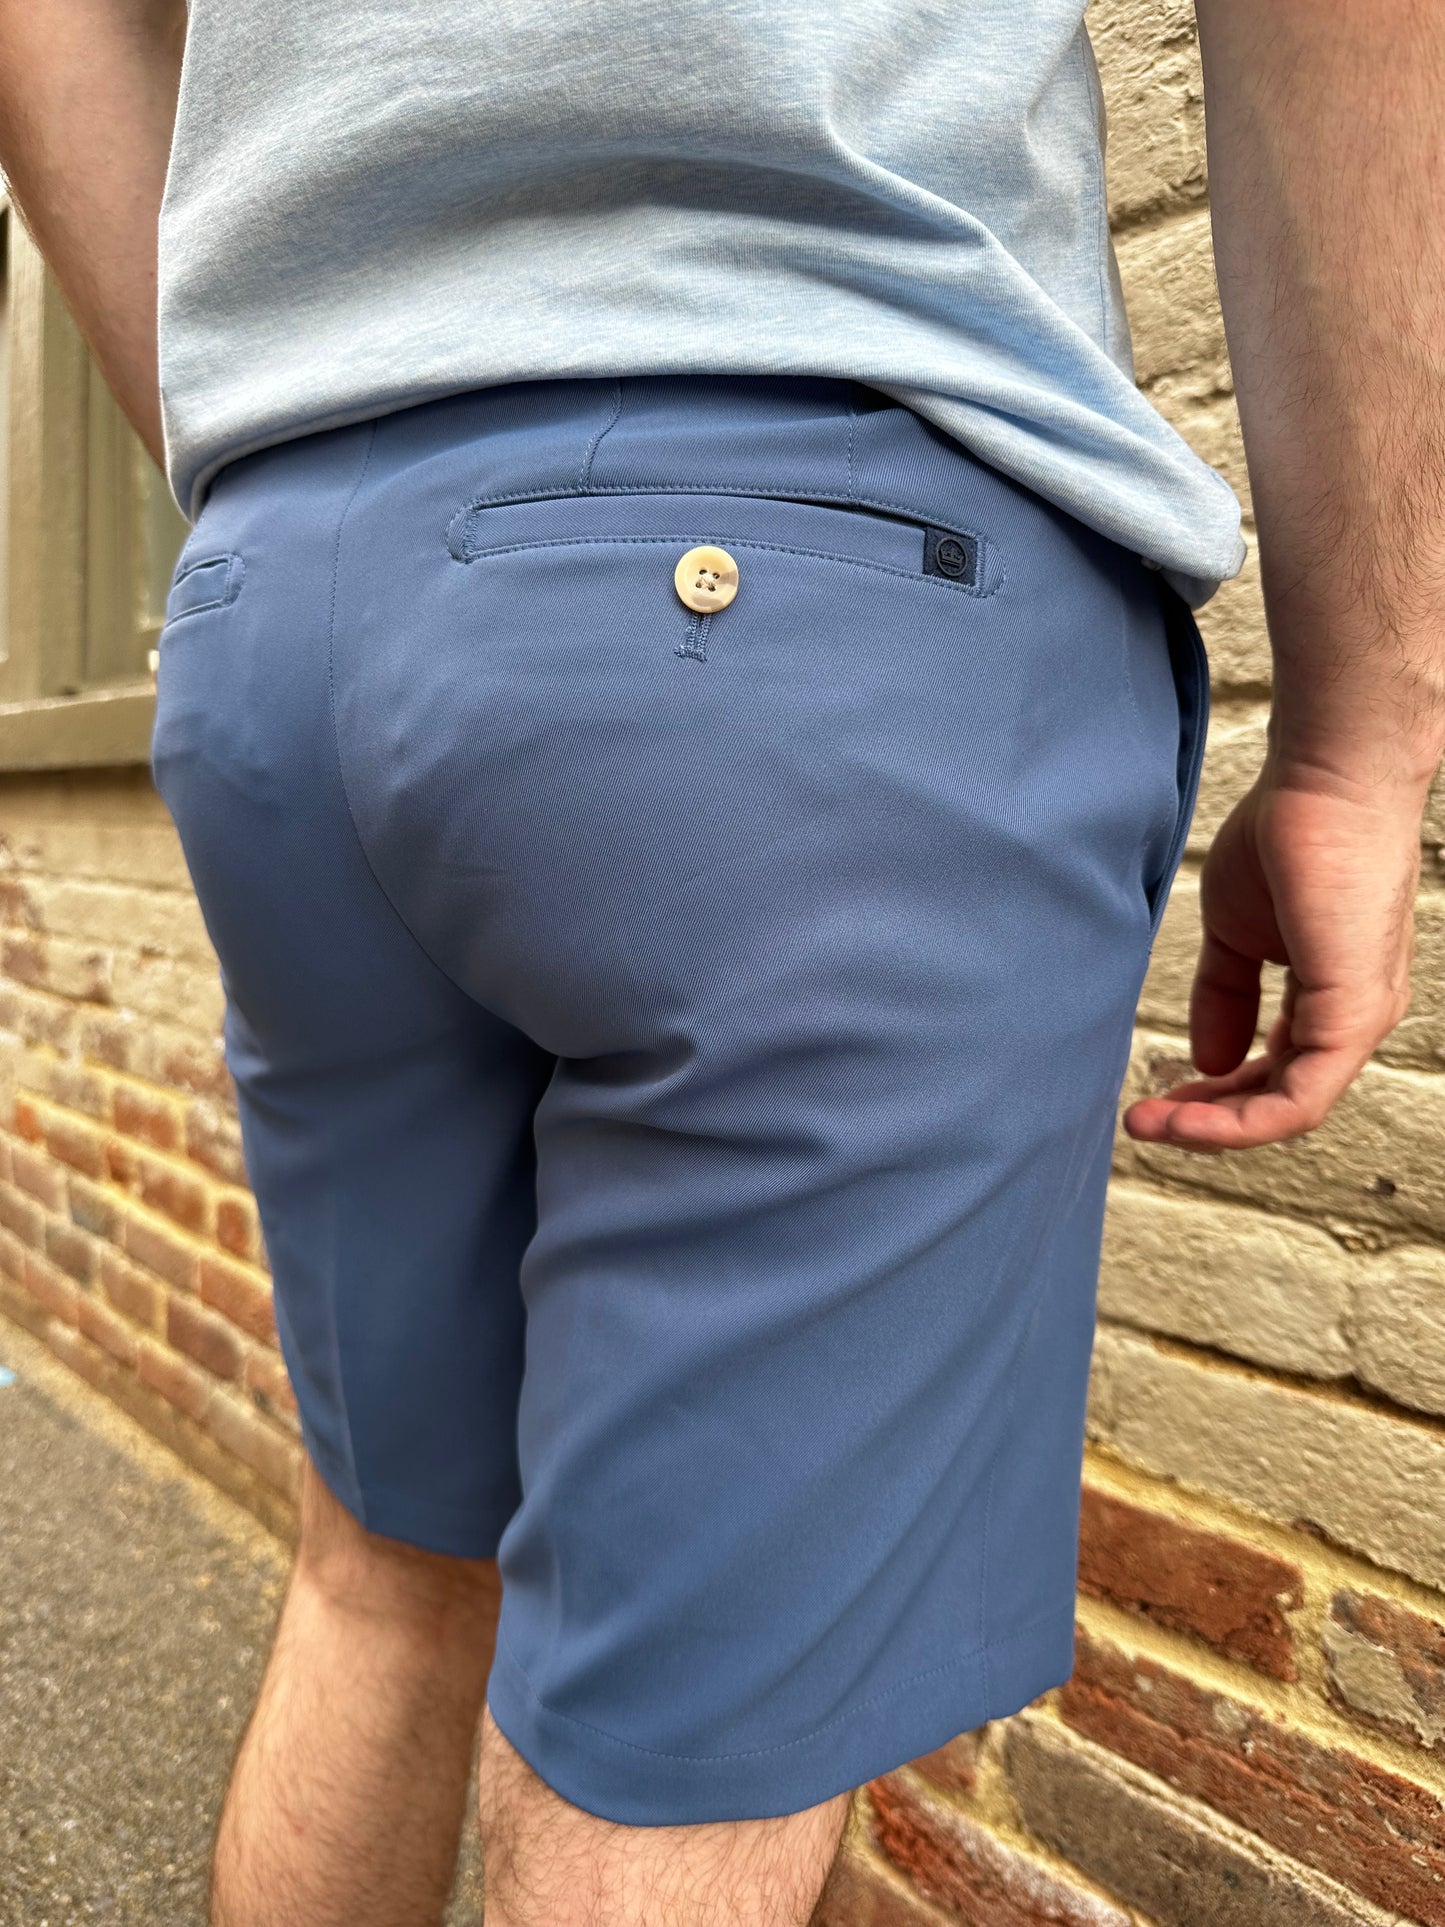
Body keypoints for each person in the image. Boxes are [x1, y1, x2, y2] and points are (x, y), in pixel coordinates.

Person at [0, 2, 1439, 1922]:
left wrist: (247, 473)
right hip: (802, 585)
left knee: (383, 1564)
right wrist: (1358, 728)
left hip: (289, 608)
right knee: (683, 1739)